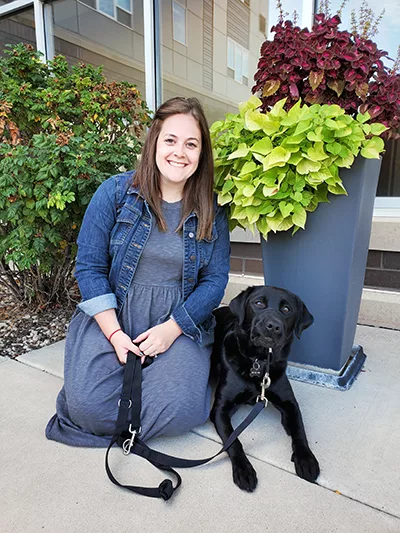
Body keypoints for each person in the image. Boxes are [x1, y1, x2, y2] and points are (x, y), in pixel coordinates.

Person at [45, 97, 231, 447]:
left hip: (177, 323)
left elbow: (215, 279)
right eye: (171, 140)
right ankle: (124, 386)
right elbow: (89, 267)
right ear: (155, 143)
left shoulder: (212, 209)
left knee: (184, 411)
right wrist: (115, 336)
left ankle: (179, 376)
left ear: (201, 153)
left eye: (191, 144)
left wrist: (173, 329)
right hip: (113, 316)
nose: (180, 152)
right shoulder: (115, 193)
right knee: (87, 411)